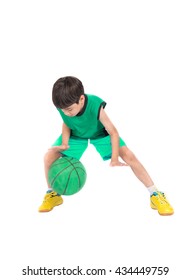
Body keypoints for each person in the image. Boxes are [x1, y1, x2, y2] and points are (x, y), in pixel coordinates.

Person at [38, 76, 174, 215]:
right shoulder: (63, 104)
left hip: (100, 134)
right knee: (48, 157)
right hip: (76, 134)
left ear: (81, 99)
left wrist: (115, 158)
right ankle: (53, 194)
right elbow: (67, 121)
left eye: (69, 109)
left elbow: (113, 132)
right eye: (63, 110)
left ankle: (155, 194)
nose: (66, 113)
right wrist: (65, 143)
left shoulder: (95, 104)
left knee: (129, 155)